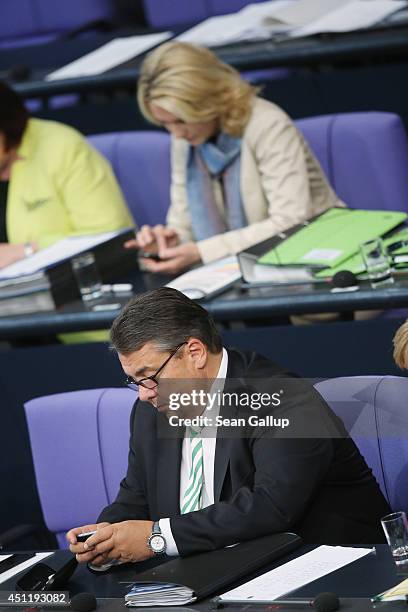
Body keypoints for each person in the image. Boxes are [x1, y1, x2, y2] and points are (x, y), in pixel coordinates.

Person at [67, 287, 389, 565]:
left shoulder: (281, 398)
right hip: (209, 574)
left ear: (194, 352)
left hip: (320, 570)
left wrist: (157, 538)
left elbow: (272, 506)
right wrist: (104, 539)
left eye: (150, 376)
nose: (144, 393)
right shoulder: (150, 410)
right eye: (135, 381)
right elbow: (136, 498)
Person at [124, 42, 344, 275]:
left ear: (208, 102)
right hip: (242, 274)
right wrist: (169, 244)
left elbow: (290, 222)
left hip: (317, 264)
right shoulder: (185, 140)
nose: (175, 133)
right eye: (165, 124)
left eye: (180, 120)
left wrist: (201, 252)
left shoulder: (267, 124)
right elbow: (184, 221)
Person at [0, 81, 133, 269]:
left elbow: (111, 234)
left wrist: (26, 250)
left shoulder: (62, 147)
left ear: (7, 125)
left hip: (72, 283)